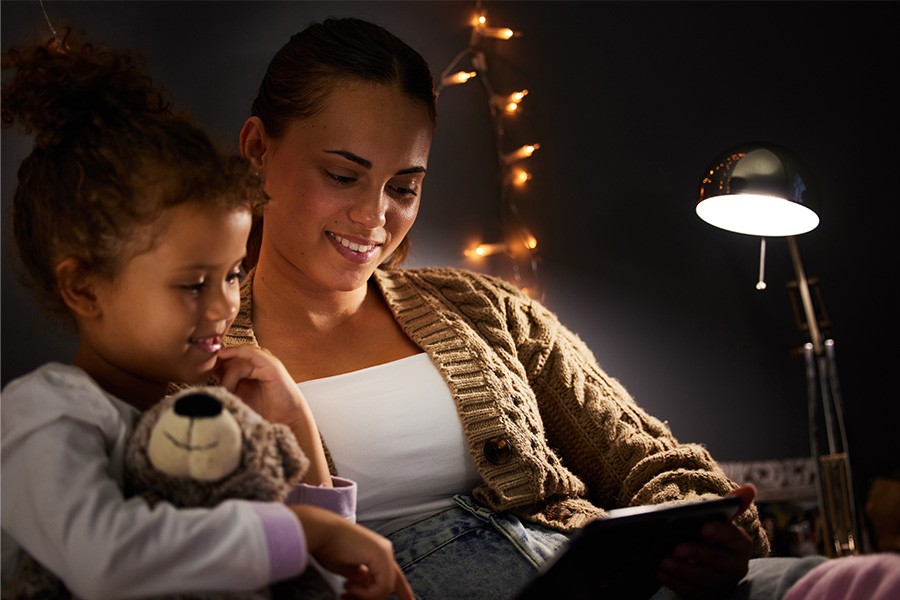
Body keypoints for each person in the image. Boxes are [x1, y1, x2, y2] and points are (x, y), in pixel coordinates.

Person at [230, 16, 828, 600]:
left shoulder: (481, 309)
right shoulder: (203, 367)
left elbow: (647, 458)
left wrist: (706, 535)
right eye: (342, 175)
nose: (375, 216)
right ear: (258, 149)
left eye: (405, 187)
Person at [0, 30, 413, 600]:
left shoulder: (208, 426)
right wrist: (300, 529)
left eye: (231, 275)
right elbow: (108, 559)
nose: (224, 305)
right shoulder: (44, 414)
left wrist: (298, 434)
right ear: (84, 287)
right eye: (194, 284)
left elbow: (319, 577)